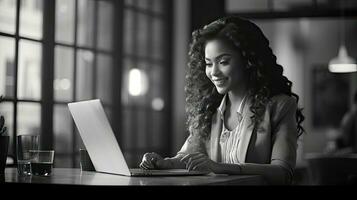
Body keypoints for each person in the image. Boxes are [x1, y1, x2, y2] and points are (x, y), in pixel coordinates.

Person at [139, 16, 305, 185]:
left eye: (223, 62)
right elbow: (187, 157)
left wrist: (220, 167)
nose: (214, 72)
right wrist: (164, 163)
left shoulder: (280, 106)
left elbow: (282, 172)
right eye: (208, 63)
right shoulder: (209, 108)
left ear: (248, 60)